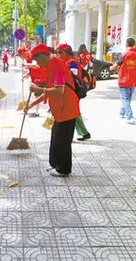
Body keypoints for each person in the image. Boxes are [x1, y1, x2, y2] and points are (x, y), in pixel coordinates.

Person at [25, 44, 80, 176]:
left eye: (37, 59)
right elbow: (49, 92)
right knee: (56, 139)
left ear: (43, 56)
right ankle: (56, 164)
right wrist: (32, 104)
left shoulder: (57, 67)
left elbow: (59, 90)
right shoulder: (51, 67)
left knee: (62, 142)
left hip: (67, 109)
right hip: (60, 110)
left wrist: (39, 89)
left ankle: (63, 169)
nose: (37, 63)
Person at [56, 43, 91, 141]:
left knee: (72, 113)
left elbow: (72, 75)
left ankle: (76, 134)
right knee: (74, 112)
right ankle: (84, 133)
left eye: (60, 52)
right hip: (70, 91)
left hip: (73, 91)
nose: (58, 55)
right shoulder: (68, 61)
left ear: (66, 52)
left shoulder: (72, 62)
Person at [110, 37, 136, 124]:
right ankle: (122, 112)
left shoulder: (124, 55)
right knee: (127, 98)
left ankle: (130, 117)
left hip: (124, 80)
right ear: (134, 45)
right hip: (134, 80)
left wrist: (111, 68)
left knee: (125, 99)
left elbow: (116, 65)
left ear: (126, 45)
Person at [16, 46, 48, 117]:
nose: (21, 58)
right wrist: (27, 74)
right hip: (37, 79)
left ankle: (37, 112)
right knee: (39, 96)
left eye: (20, 56)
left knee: (40, 96)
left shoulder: (33, 55)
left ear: (24, 53)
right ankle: (36, 110)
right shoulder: (28, 58)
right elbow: (33, 69)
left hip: (43, 79)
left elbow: (36, 66)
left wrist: (25, 64)